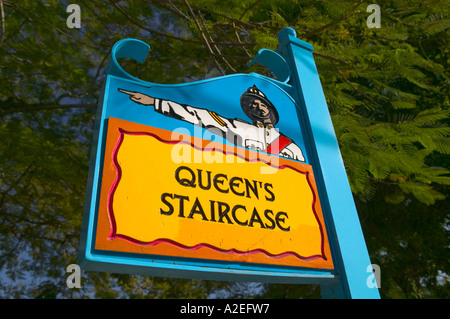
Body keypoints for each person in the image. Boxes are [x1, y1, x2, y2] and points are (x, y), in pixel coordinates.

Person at [118, 85, 305, 162]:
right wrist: (154, 102)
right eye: (252, 105)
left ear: (269, 108)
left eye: (260, 103)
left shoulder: (289, 145)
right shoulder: (240, 128)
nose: (257, 107)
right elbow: (201, 116)